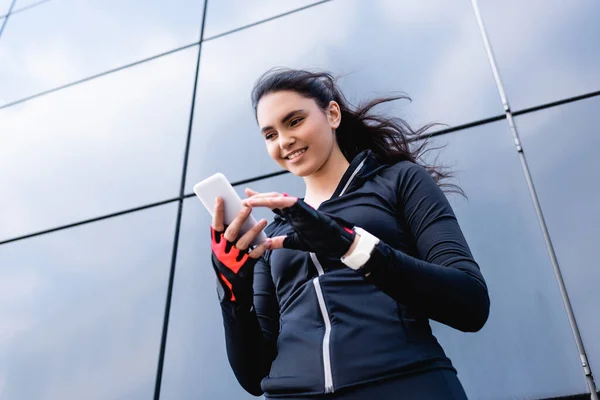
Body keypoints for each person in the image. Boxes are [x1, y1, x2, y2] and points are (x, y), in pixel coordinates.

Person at [209, 68, 490, 399]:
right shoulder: (276, 234)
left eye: (294, 121)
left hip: (406, 384)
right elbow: (254, 376)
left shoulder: (399, 181)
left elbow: (471, 304)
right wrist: (232, 291)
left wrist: (351, 245)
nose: (284, 141)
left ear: (332, 114)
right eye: (270, 135)